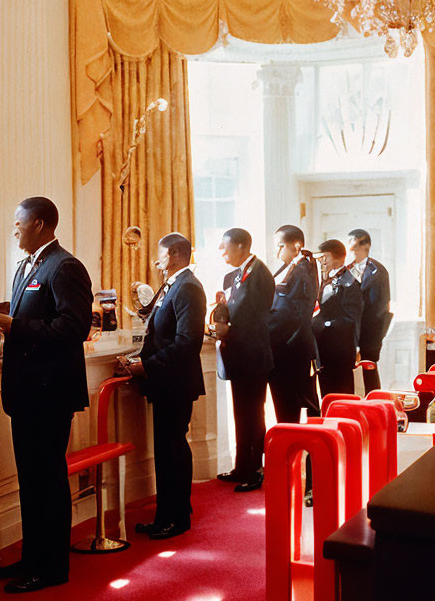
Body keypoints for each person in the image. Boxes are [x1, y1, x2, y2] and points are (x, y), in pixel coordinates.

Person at [0, 197, 92, 593]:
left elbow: (72, 328)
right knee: (30, 481)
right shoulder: (24, 266)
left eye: (19, 223)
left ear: (41, 224)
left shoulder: (65, 266)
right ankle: (33, 557)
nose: (14, 229)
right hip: (25, 392)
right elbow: (31, 314)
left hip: (50, 393)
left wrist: (14, 324)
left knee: (47, 479)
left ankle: (52, 567)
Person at [120, 233, 205, 539]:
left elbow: (187, 342)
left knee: (172, 449)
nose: (157, 260)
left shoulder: (189, 287)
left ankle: (176, 517)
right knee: (166, 450)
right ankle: (167, 512)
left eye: (160, 254)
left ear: (174, 254)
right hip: (165, 381)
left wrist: (148, 366)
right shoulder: (172, 285)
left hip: (176, 382)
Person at [213, 228, 274, 492]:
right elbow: (234, 308)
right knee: (241, 414)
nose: (222, 251)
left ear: (241, 246)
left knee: (253, 415)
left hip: (253, 356)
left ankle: (257, 469)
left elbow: (257, 317)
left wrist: (231, 328)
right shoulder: (236, 275)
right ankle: (241, 466)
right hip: (238, 355)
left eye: (225, 247)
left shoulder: (260, 273)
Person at [267, 225, 320, 424]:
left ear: (296, 246)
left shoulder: (302, 271)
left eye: (280, 246)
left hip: (290, 351)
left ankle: (298, 453)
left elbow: (293, 314)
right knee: (285, 410)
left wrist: (264, 327)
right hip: (284, 348)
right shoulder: (291, 267)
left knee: (289, 411)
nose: (276, 251)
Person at [313, 239, 364, 396]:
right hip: (325, 348)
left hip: (340, 350)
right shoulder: (327, 278)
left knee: (342, 395)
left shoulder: (349, 283)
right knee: (327, 394)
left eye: (324, 257)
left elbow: (352, 318)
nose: (322, 261)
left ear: (336, 257)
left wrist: (325, 324)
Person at [347, 229, 391, 392]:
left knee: (369, 372)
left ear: (366, 247)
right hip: (349, 329)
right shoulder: (346, 270)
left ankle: (374, 403)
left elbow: (381, 306)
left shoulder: (377, 271)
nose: (353, 251)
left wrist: (369, 336)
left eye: (356, 247)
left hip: (370, 330)